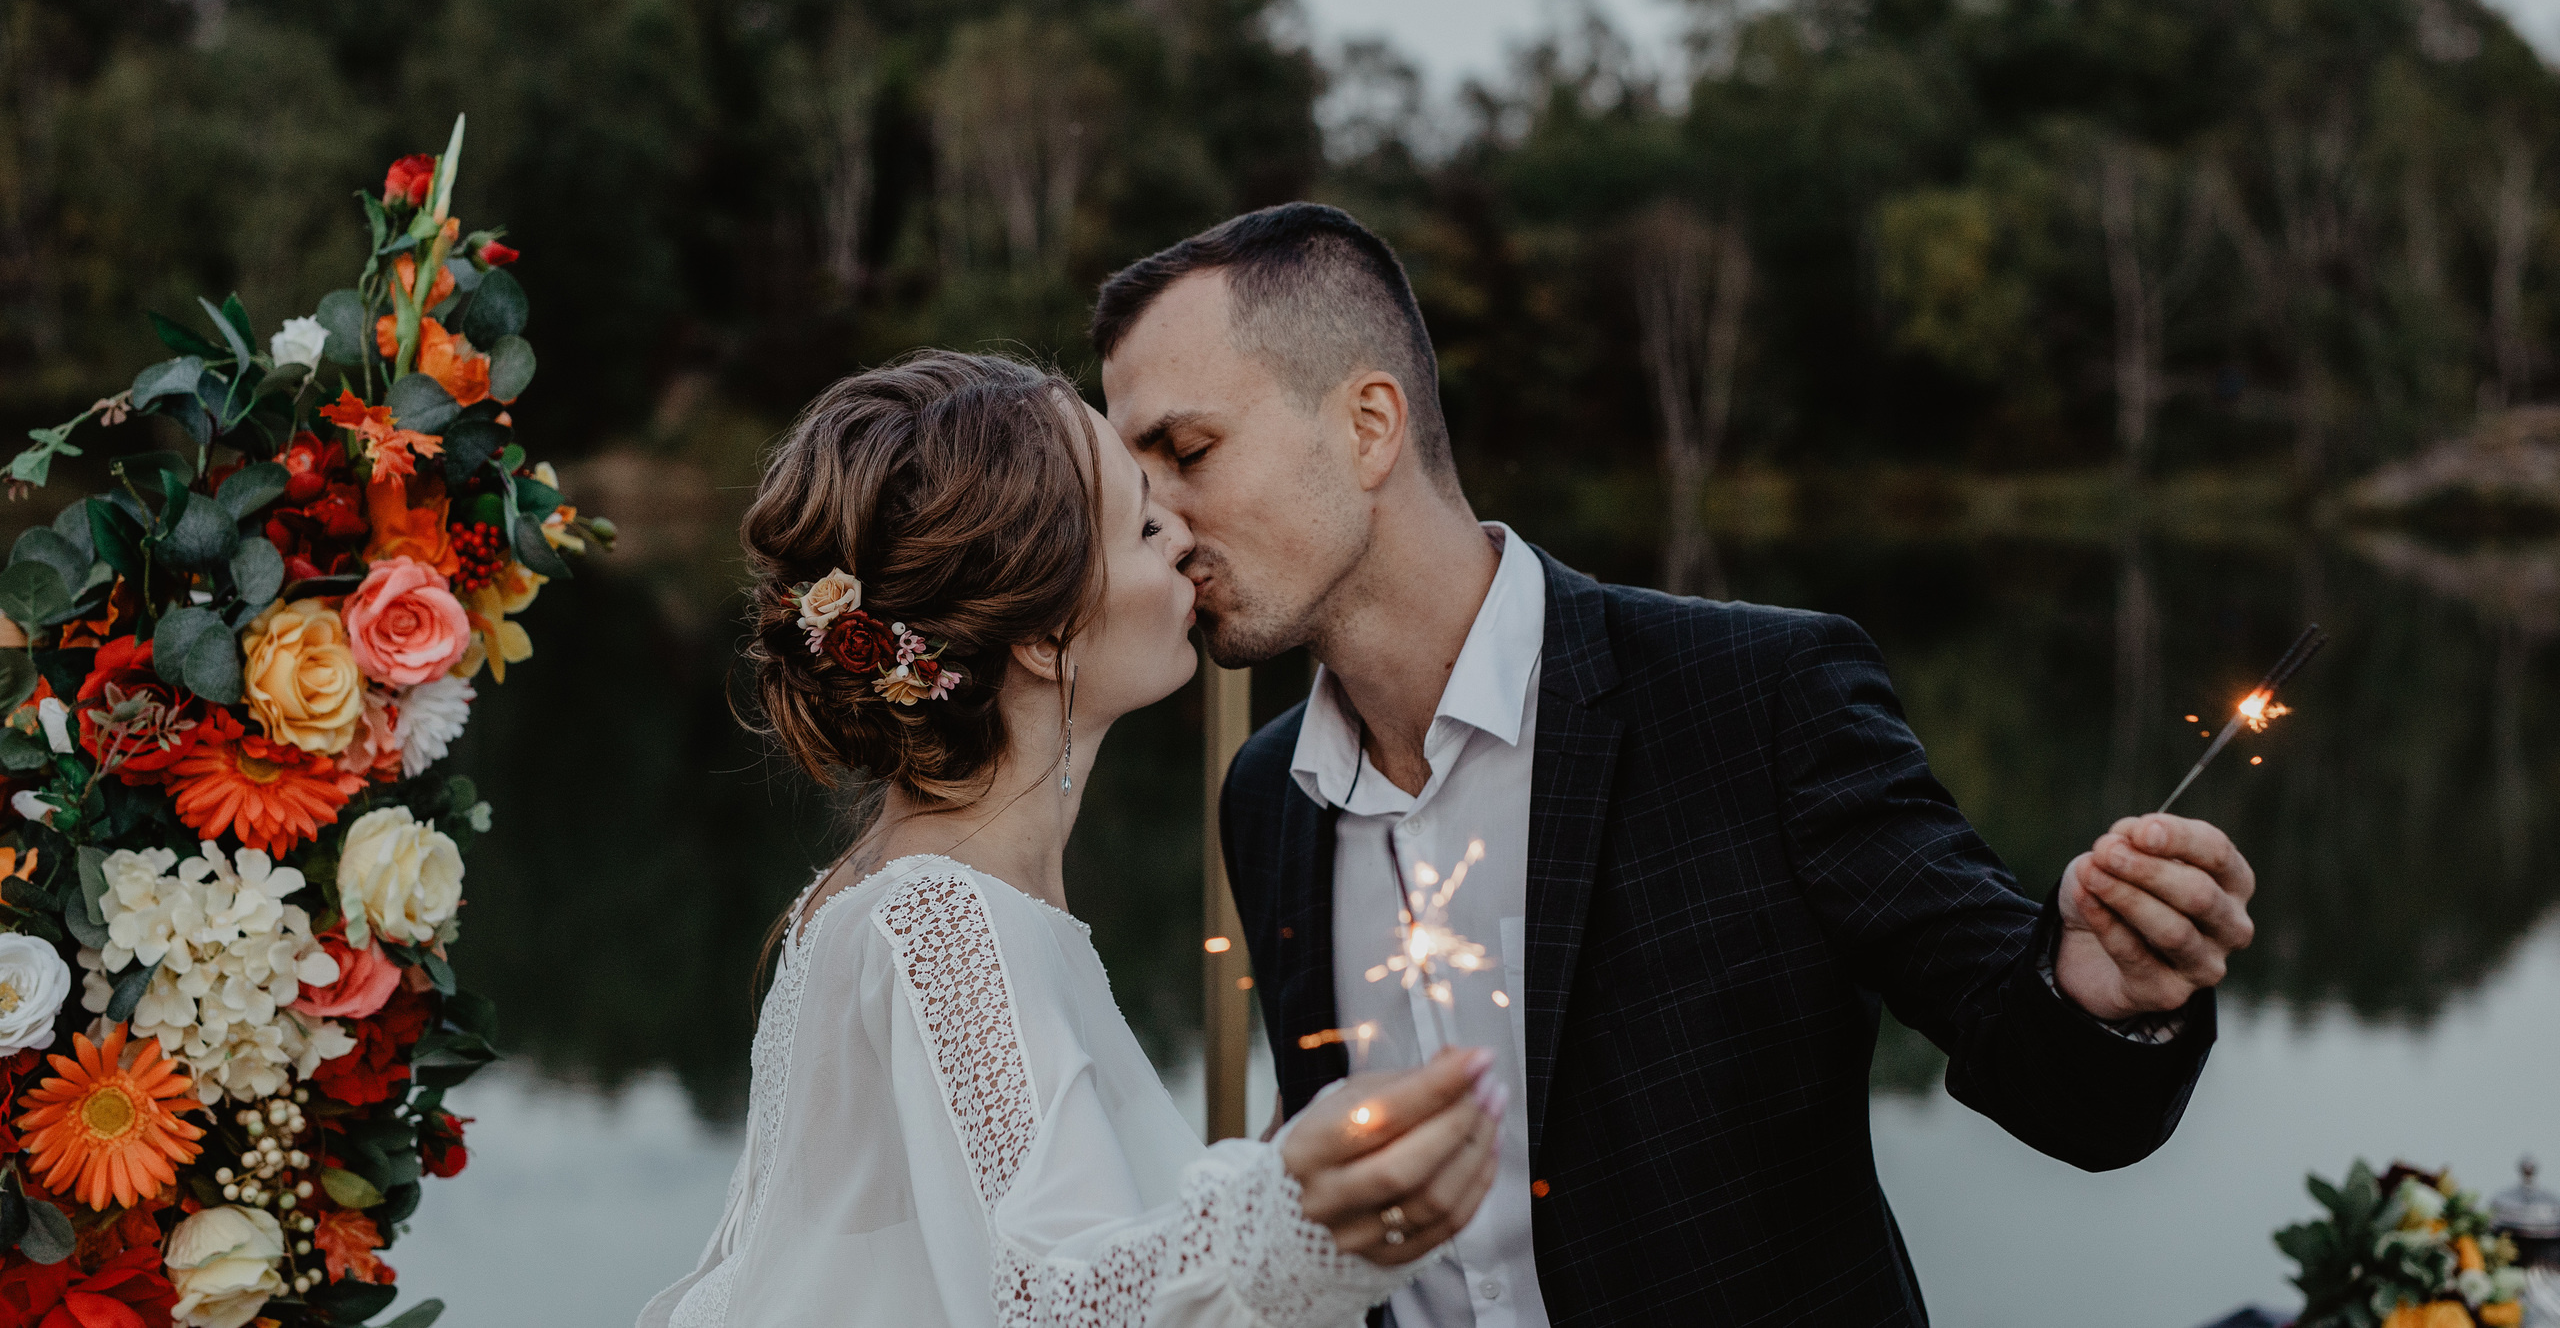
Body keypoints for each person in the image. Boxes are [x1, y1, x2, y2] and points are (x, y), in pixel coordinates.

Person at [1092, 205, 2256, 1328]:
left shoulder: (1759, 698)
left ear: (1368, 425)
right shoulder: (1265, 796)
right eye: (1136, 475)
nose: (1159, 518)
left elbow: (2066, 1091)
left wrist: (2104, 994)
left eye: (1186, 451)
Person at [639, 352, 1504, 1328]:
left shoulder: (884, 891)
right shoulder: (944, 922)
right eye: (1141, 521)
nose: (1181, 533)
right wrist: (1290, 1227)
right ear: (1044, 635)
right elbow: (1049, 1301)